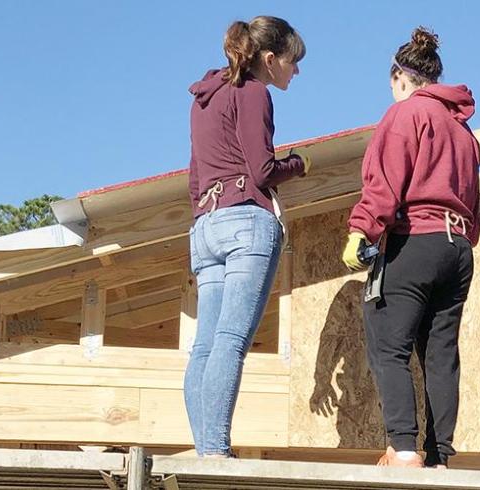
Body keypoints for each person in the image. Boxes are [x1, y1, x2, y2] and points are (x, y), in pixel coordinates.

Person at [344, 26, 480, 469]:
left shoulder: (405, 115)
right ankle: (440, 455)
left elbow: (384, 182)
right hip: (458, 248)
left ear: (400, 78)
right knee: (441, 354)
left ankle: (403, 449)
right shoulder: (463, 132)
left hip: (416, 239)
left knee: (389, 345)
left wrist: (361, 231)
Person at [184, 16, 310, 458]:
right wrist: (300, 164)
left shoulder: (203, 98)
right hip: (245, 223)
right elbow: (262, 170)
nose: (296, 72)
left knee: (205, 345)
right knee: (231, 341)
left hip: (205, 225)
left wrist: (205, 214)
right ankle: (216, 451)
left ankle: (206, 450)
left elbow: (195, 178)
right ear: (270, 58)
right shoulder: (254, 92)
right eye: (293, 62)